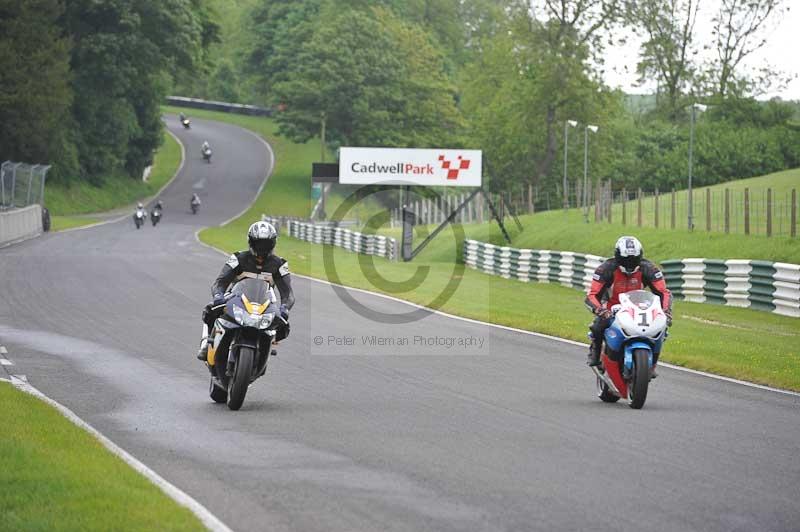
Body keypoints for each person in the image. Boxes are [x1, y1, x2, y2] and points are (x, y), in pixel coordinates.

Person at [197, 221, 294, 361]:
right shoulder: (238, 258)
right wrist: (218, 295)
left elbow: (288, 294)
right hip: (236, 299)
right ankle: (207, 343)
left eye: (266, 244)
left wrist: (285, 308)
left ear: (273, 244)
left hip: (265, 304)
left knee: (284, 325)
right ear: (251, 242)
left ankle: (267, 344)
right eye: (259, 244)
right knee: (210, 309)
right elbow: (220, 282)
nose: (262, 249)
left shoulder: (279, 265)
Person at [585, 236, 672, 376]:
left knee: (662, 329)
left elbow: (664, 292)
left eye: (633, 259)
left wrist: (666, 311)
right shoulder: (605, 269)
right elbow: (592, 295)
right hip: (612, 309)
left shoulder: (649, 268)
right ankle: (595, 352)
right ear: (618, 256)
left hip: (639, 309)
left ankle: (652, 364)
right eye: (626, 260)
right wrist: (601, 310)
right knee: (597, 326)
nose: (630, 263)